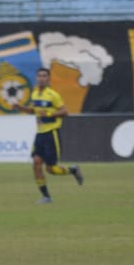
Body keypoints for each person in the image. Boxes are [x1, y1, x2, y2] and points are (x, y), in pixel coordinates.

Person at [15, 67, 84, 203]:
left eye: (44, 76)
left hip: (51, 134)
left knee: (51, 169)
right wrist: (20, 107)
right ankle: (46, 196)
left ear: (48, 79)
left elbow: (65, 112)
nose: (41, 78)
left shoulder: (53, 95)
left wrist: (49, 114)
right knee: (36, 163)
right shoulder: (35, 94)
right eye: (39, 76)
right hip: (39, 134)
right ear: (36, 78)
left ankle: (73, 170)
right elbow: (34, 111)